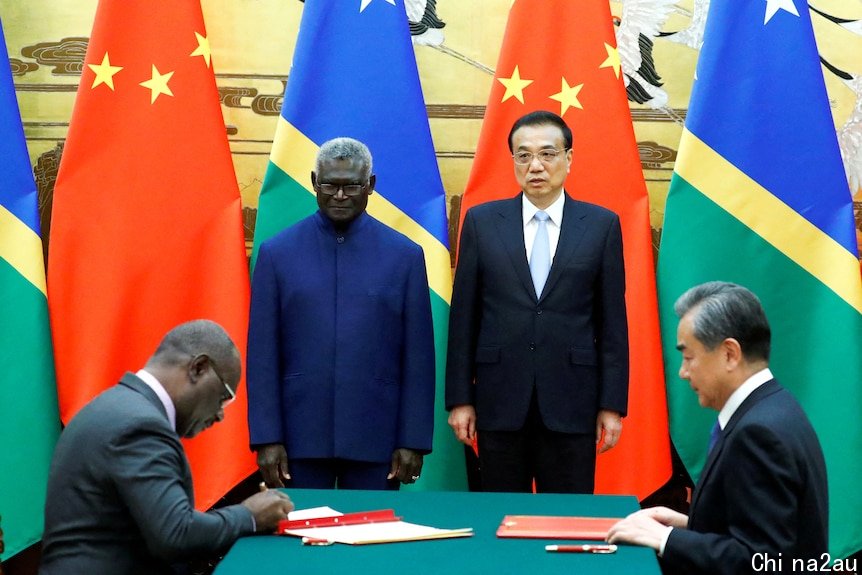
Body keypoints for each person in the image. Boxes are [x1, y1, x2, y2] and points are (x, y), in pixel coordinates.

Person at [446, 110, 629, 493]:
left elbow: (612, 325)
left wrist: (611, 405)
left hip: (571, 402)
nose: (536, 166)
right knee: (499, 520)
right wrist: (460, 399)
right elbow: (464, 319)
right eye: (523, 155)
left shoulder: (601, 226)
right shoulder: (482, 222)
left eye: (548, 154)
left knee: (568, 519)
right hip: (499, 403)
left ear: (569, 159)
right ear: (512, 160)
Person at [247, 137, 435, 490]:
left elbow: (418, 358)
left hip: (377, 438)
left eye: (352, 186)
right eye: (330, 185)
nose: (339, 195)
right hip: (298, 439)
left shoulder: (405, 257)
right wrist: (266, 438)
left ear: (371, 186)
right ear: (315, 182)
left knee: (373, 541)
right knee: (300, 540)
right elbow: (262, 356)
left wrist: (413, 440)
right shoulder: (277, 254)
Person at [39, 320, 294, 575]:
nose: (220, 415)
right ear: (199, 368)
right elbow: (175, 534)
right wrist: (249, 516)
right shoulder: (140, 426)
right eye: (225, 397)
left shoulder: (120, 407)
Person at [607, 282, 828, 574]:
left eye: (688, 357)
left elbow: (764, 562)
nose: (682, 372)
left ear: (729, 354)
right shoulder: (775, 407)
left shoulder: (759, 435)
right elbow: (763, 533)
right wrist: (690, 526)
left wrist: (667, 539)